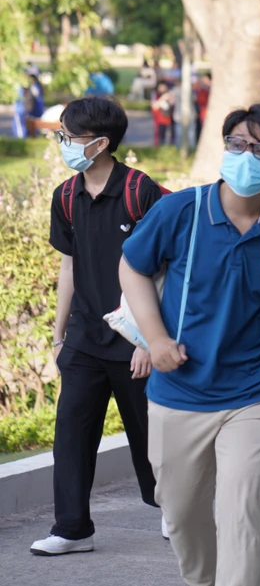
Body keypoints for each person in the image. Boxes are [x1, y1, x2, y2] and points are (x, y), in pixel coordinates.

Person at [119, 105, 260, 586]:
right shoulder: (180, 212)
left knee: (246, 517)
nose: (246, 157)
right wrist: (155, 340)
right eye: (237, 144)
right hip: (179, 390)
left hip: (257, 391)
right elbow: (133, 267)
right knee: (180, 511)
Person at [30, 97, 163, 557]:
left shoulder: (141, 192)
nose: (62, 143)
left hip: (135, 338)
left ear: (101, 143)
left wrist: (151, 339)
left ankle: (170, 507)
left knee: (149, 431)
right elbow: (69, 266)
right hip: (86, 337)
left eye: (69, 137)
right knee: (71, 430)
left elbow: (164, 271)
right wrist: (59, 333)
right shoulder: (66, 196)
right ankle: (71, 528)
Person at [152, 82, 175, 147]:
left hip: (169, 118)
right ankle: (159, 146)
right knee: (160, 134)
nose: (162, 89)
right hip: (160, 119)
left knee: (171, 134)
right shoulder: (156, 95)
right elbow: (154, 106)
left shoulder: (170, 95)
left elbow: (172, 103)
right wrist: (163, 98)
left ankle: (170, 146)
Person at [194, 74, 211, 143]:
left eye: (205, 80)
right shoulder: (200, 88)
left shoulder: (208, 88)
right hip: (202, 111)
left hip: (207, 112)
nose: (203, 81)